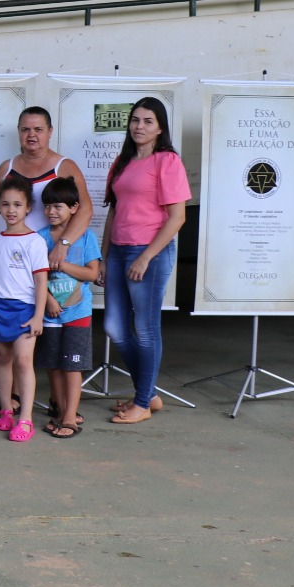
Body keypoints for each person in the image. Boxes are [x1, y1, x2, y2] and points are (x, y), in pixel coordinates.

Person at [102, 97, 190, 426]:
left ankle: (142, 402)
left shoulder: (166, 161)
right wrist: (104, 255)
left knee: (145, 330)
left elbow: (177, 217)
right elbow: (114, 210)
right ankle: (148, 392)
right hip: (119, 250)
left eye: (148, 121)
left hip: (149, 252)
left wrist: (146, 256)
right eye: (135, 120)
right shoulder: (123, 161)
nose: (139, 126)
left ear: (160, 128)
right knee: (114, 327)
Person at [0, 107, 94, 271]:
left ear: (50, 132)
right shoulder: (6, 168)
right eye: (25, 129)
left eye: (38, 129)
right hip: (7, 259)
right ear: (18, 132)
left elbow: (86, 209)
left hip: (48, 258)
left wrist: (63, 245)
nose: (31, 134)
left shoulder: (64, 167)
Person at [37, 178, 102, 439]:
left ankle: (69, 417)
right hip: (49, 313)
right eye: (47, 207)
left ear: (74, 208)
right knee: (53, 365)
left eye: (58, 206)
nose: (51, 212)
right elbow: (35, 277)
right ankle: (60, 409)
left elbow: (91, 273)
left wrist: (61, 264)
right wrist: (49, 301)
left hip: (78, 313)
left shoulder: (86, 238)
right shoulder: (39, 239)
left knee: (73, 366)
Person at [0, 176, 49, 443]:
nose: (10, 210)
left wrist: (38, 315)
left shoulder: (34, 241)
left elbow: (40, 280)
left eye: (17, 204)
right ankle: (6, 410)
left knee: (23, 361)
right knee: (2, 359)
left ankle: (25, 418)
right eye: (5, 204)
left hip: (25, 308)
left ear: (27, 208)